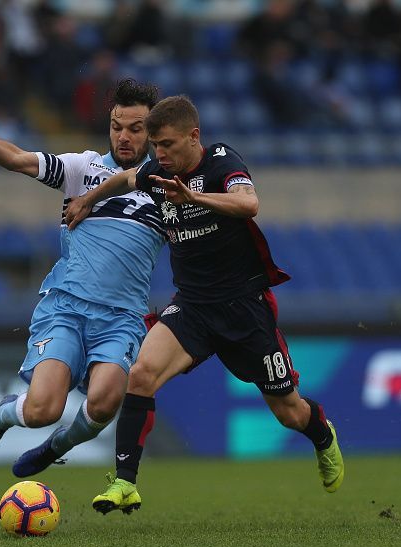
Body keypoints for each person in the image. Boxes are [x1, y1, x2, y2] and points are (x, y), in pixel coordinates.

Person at [65, 95, 344, 515]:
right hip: (193, 307)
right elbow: (125, 179)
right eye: (156, 145)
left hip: (244, 308)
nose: (160, 154)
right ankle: (124, 482)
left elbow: (249, 204)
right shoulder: (158, 170)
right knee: (140, 373)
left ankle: (322, 435)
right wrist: (89, 201)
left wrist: (193, 199)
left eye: (169, 145)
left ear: (194, 138)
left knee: (288, 411)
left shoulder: (220, 162)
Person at [0, 79, 164, 477]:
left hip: (121, 318)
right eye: (117, 126)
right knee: (44, 409)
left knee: (103, 403)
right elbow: (18, 159)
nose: (124, 136)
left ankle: (55, 448)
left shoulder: (164, 187)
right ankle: (4, 414)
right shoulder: (83, 168)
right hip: (67, 308)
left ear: (153, 131)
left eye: (135, 128)